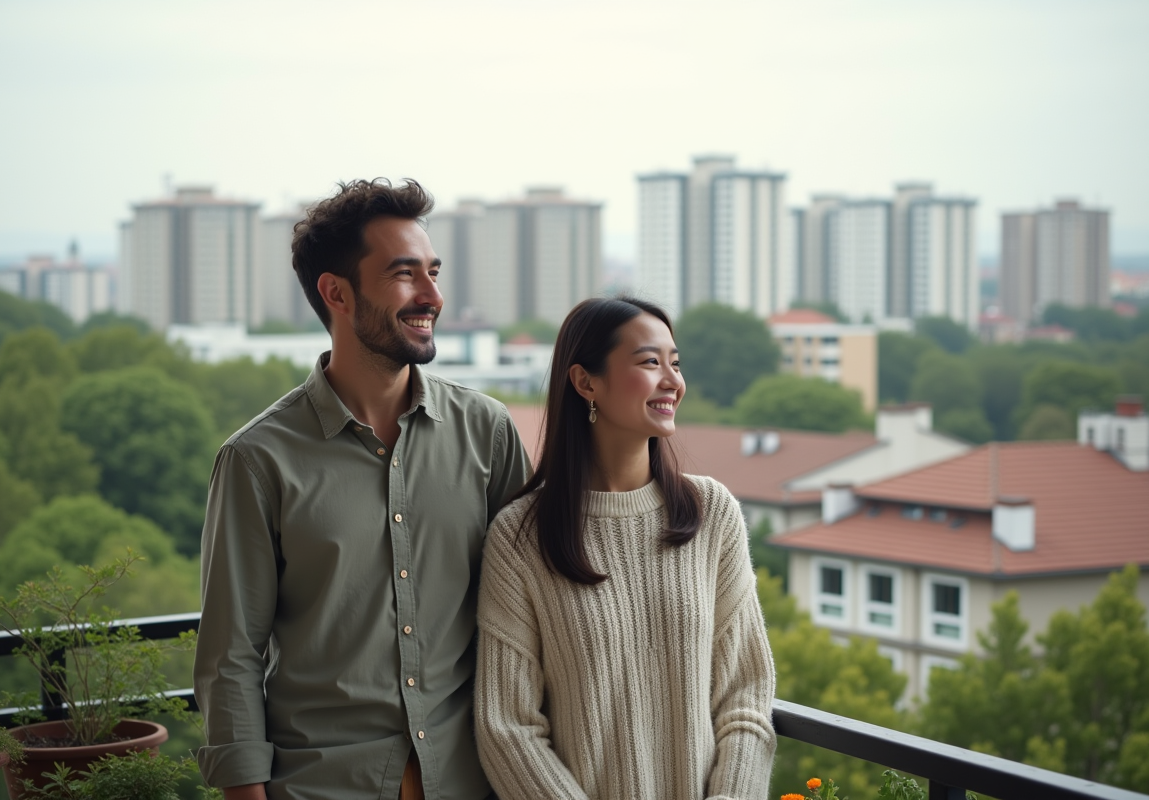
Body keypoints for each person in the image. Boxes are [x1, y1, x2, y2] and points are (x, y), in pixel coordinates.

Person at [193, 178, 530, 800]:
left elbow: (534, 609)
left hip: (474, 779)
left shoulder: (487, 432)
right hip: (321, 785)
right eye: (405, 274)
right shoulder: (257, 459)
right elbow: (230, 655)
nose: (432, 295)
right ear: (336, 293)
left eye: (433, 271)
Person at [474, 297, 777, 799]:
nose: (672, 381)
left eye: (675, 364)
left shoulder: (711, 512)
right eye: (649, 362)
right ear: (585, 382)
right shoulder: (521, 537)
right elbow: (508, 728)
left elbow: (745, 693)